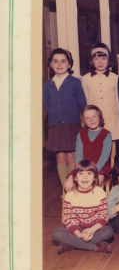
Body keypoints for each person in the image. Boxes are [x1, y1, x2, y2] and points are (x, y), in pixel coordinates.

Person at [43, 48, 87, 188]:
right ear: (50, 64)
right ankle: (66, 190)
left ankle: (73, 187)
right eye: (55, 61)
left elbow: (82, 104)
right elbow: (46, 104)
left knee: (71, 158)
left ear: (69, 64)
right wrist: (56, 115)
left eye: (63, 61)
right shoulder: (47, 84)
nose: (59, 64)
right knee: (60, 158)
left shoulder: (74, 82)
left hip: (72, 125)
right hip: (55, 126)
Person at [51, 160, 112, 254]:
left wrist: (91, 230)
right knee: (55, 233)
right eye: (81, 173)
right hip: (78, 228)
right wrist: (79, 234)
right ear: (75, 178)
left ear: (95, 178)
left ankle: (71, 243)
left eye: (89, 173)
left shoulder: (99, 192)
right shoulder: (70, 195)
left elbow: (103, 216)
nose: (85, 177)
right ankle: (94, 246)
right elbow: (69, 218)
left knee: (108, 231)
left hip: (95, 228)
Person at [81, 42, 119, 165]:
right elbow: (86, 101)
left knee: (113, 152)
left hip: (112, 120)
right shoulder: (86, 78)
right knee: (97, 151)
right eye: (96, 58)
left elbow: (118, 102)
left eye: (103, 58)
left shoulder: (115, 78)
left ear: (108, 59)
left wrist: (113, 114)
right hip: (95, 122)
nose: (100, 62)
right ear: (91, 60)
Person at [63, 105, 112, 193]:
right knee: (68, 185)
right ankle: (78, 205)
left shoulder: (106, 134)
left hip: (99, 168)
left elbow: (104, 156)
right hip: (81, 168)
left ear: (99, 118)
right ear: (84, 121)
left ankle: (90, 206)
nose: (91, 120)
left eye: (94, 116)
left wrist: (93, 170)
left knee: (94, 186)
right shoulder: (81, 134)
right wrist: (82, 170)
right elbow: (78, 154)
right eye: (87, 118)